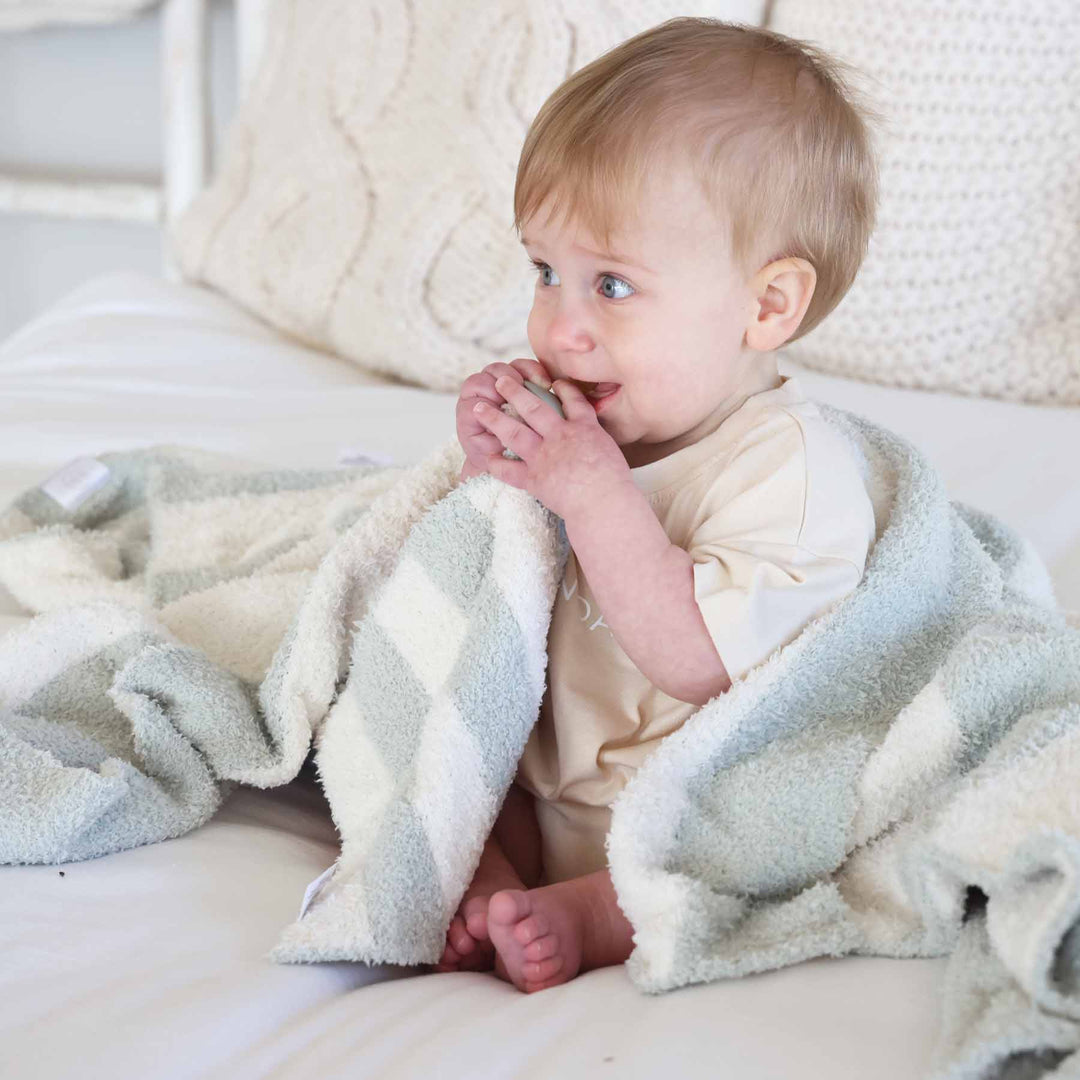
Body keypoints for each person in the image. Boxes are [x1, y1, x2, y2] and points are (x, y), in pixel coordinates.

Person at [438, 16, 881, 993]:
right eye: (545, 271)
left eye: (612, 284)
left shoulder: (793, 471)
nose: (561, 325)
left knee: (757, 833)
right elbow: (482, 583)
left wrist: (589, 488)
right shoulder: (596, 428)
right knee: (442, 757)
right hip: (543, 769)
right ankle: (489, 873)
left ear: (766, 307)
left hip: (676, 793)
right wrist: (494, 468)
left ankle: (601, 912)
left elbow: (699, 662)